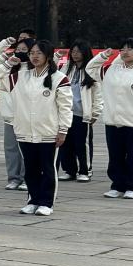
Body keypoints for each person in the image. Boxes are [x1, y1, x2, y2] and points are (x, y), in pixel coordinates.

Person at [0, 39, 71, 215]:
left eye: (39, 53)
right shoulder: (21, 76)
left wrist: (63, 130)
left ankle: (46, 202)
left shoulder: (59, 78)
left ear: (48, 56)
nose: (35, 56)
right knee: (30, 168)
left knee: (47, 168)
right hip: (25, 131)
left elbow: (65, 107)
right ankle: (33, 200)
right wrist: (8, 64)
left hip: (48, 131)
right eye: (32, 53)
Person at [86, 38, 133, 199]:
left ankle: (132, 186)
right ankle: (117, 185)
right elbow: (90, 68)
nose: (125, 52)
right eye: (122, 49)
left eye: (130, 49)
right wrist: (103, 56)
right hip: (113, 120)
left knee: (132, 156)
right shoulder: (111, 70)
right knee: (115, 155)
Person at [0, 33, 34, 191]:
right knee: (11, 149)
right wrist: (6, 62)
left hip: (28, 118)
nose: (20, 52)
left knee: (27, 150)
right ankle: (14, 178)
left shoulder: (34, 71)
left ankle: (28, 178)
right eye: (18, 49)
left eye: (24, 50)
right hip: (10, 116)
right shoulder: (8, 69)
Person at [58, 41, 100, 182]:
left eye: (78, 51)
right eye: (73, 51)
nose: (75, 54)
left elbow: (98, 94)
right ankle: (69, 170)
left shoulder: (92, 71)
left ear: (85, 53)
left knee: (82, 144)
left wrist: (96, 112)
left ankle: (85, 170)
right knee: (66, 143)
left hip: (82, 113)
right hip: (66, 113)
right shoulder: (66, 69)